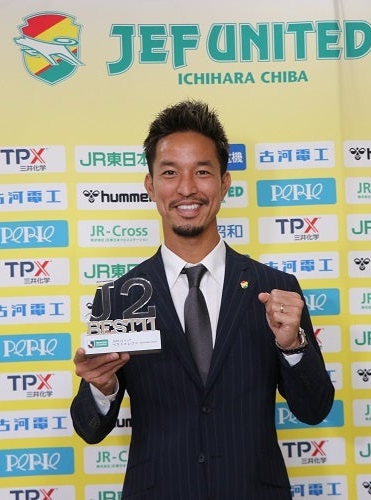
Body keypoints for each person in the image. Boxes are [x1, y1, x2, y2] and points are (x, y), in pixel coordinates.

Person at [70, 99, 334, 499]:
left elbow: (315, 409)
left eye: (202, 172)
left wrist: (293, 346)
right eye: (170, 172)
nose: (187, 188)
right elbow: (89, 428)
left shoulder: (275, 289)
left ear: (224, 183)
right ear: (150, 186)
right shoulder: (121, 297)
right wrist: (101, 387)